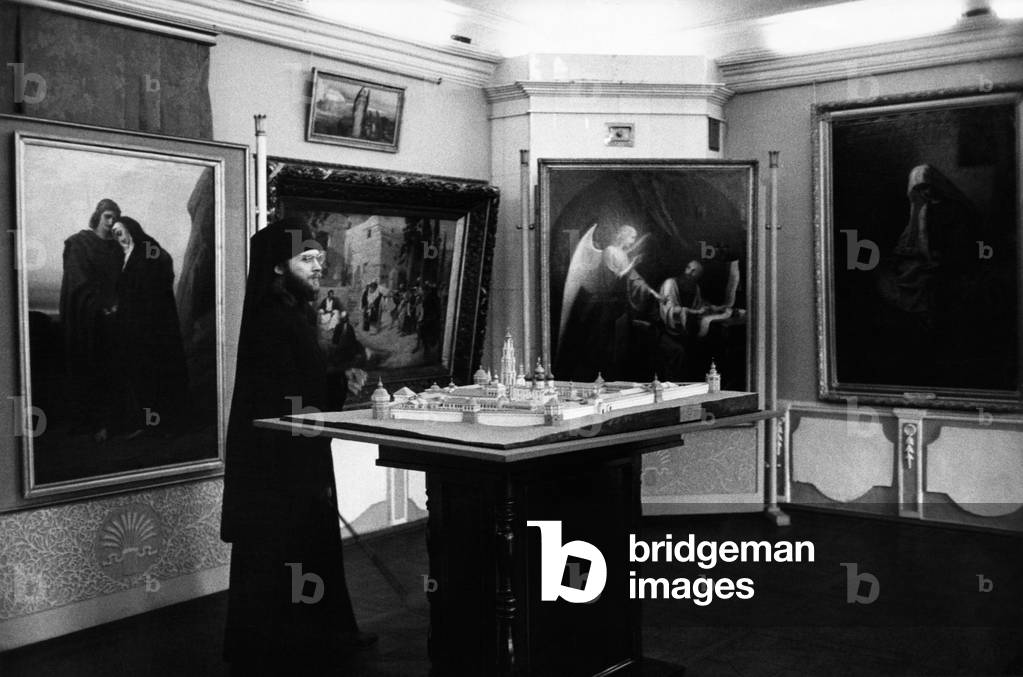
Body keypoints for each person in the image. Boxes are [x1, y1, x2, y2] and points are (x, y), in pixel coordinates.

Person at [221, 217, 375, 673]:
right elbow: (281, 398)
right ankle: (286, 648)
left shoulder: (293, 314)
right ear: (277, 266)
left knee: (308, 542)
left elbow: (302, 387)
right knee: (282, 548)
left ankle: (321, 638)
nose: (317, 267)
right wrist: (331, 376)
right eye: (306, 259)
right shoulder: (272, 319)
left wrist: (337, 379)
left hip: (297, 450)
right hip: (276, 462)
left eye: (319, 259)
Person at [110, 217, 190, 436]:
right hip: (132, 325)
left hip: (152, 325)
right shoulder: (123, 255)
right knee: (138, 373)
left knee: (154, 372)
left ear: (131, 229)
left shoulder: (148, 248)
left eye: (120, 232)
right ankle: (146, 423)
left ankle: (160, 424)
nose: (118, 238)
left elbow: (161, 273)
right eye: (114, 234)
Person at [556, 223, 660, 380]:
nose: (633, 241)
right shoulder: (609, 251)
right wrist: (634, 263)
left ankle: (615, 375)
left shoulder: (622, 254)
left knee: (619, 345)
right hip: (606, 305)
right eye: (632, 237)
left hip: (619, 306)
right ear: (623, 236)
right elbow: (615, 277)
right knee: (603, 344)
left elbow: (635, 279)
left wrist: (653, 293)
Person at [59, 198, 124, 442]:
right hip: (88, 318)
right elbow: (77, 279)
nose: (111, 221)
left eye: (115, 217)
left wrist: (118, 304)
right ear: (98, 216)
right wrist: (98, 305)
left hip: (115, 318)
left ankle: (110, 423)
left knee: (113, 371)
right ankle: (89, 423)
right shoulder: (80, 242)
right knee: (89, 367)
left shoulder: (117, 249)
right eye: (107, 216)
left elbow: (123, 280)